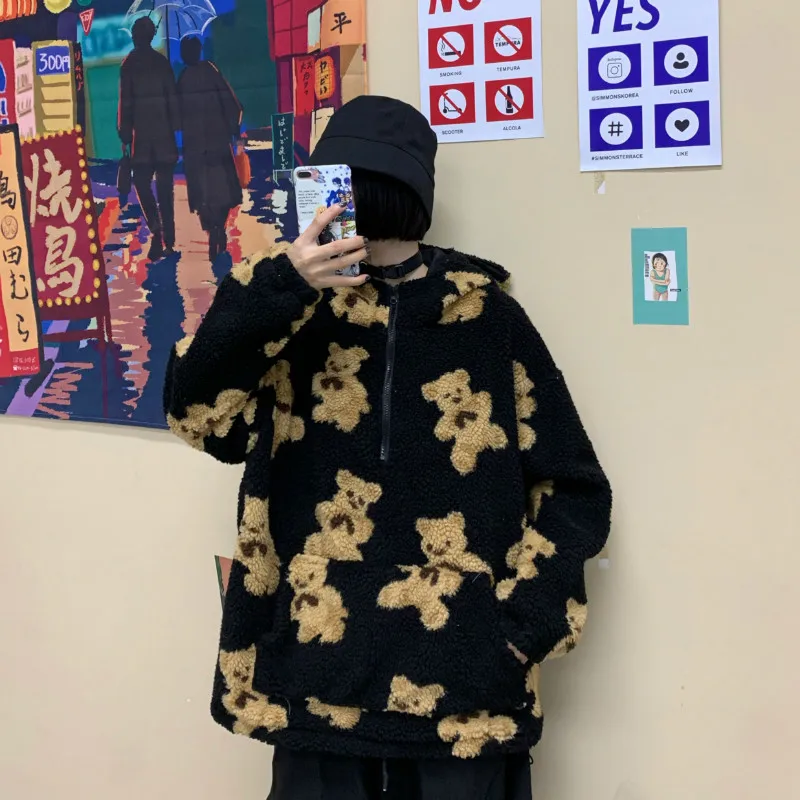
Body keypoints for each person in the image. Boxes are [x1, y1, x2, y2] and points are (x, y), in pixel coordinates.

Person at [163, 95, 612, 799]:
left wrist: (519, 627)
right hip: (313, 679)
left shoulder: (485, 317)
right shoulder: (285, 306)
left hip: (463, 690)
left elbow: (573, 488)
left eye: (334, 182)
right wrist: (284, 286)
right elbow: (199, 417)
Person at [176, 36, 243, 263]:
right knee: (223, 191)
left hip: (194, 148)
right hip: (218, 144)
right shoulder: (211, 71)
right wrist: (234, 131)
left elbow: (176, 118)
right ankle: (219, 227)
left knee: (201, 194)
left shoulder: (183, 79)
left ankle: (212, 229)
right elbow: (231, 103)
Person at [118, 16, 179, 262]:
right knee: (165, 190)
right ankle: (170, 240)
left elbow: (125, 104)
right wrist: (175, 125)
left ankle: (155, 228)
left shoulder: (129, 64)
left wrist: (124, 134)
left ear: (136, 36)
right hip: (164, 138)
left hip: (141, 140)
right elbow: (173, 99)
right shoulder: (162, 63)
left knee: (142, 184)